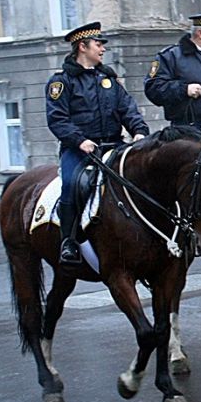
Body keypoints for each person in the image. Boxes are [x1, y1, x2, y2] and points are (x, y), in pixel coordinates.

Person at [46, 22, 149, 265]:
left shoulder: (108, 78)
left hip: (114, 145)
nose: (102, 49)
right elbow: (57, 119)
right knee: (72, 185)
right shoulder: (62, 82)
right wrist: (80, 140)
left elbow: (128, 109)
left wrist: (139, 132)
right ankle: (69, 241)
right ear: (82, 47)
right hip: (79, 150)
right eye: (98, 44)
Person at [144, 12, 201, 130]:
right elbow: (153, 88)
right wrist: (184, 89)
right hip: (187, 129)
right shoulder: (170, 56)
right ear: (200, 33)